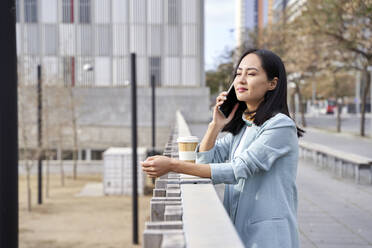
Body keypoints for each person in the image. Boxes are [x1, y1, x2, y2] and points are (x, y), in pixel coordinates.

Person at [141, 49, 304, 248]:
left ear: (272, 83)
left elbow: (236, 170)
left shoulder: (280, 125)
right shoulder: (245, 126)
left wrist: (173, 165)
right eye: (238, 74)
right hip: (237, 228)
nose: (241, 80)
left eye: (251, 74)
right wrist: (215, 125)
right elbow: (205, 162)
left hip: (268, 236)